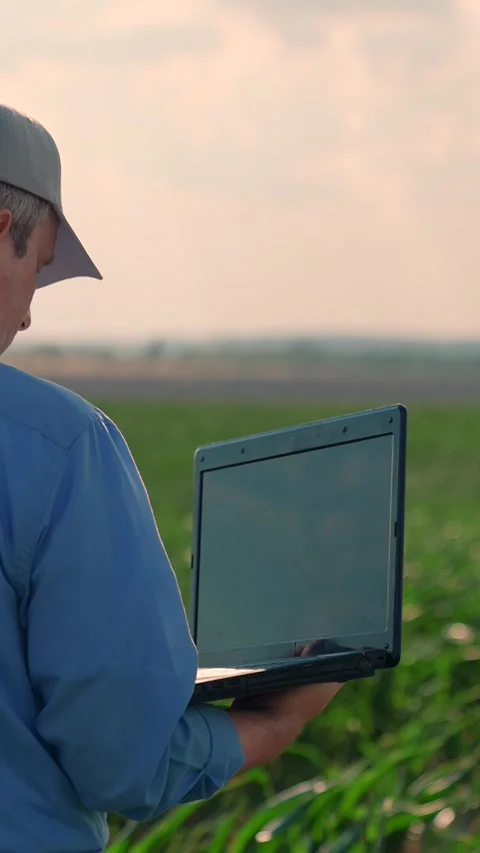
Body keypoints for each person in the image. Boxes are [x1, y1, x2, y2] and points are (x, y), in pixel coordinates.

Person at [0, 104, 342, 853]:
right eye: (40, 264)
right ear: (2, 231)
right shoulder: (62, 448)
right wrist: (270, 723)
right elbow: (120, 762)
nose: (27, 317)